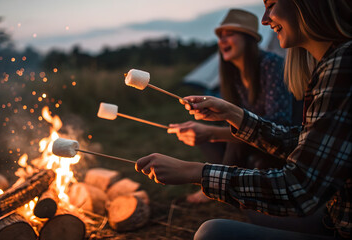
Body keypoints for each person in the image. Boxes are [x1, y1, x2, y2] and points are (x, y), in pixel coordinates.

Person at [136, 0, 351, 239]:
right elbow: (308, 142)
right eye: (221, 36)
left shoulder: (336, 65)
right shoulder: (328, 64)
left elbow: (299, 188)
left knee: (212, 233)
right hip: (334, 211)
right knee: (249, 209)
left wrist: (195, 172)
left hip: (319, 204)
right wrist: (233, 114)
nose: (265, 19)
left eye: (271, 4)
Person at [169, 9, 294, 203]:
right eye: (220, 36)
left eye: (230, 34)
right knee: (202, 135)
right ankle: (230, 176)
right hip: (252, 143)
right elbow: (234, 121)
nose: (222, 41)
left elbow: (279, 125)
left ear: (248, 39)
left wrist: (212, 132)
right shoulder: (233, 74)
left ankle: (219, 184)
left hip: (281, 144)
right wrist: (209, 124)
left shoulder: (271, 64)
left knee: (230, 138)